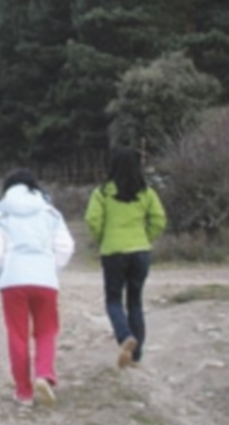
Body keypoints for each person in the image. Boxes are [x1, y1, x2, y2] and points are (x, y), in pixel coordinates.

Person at [0, 168, 75, 407]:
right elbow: (65, 246)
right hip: (45, 279)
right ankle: (44, 374)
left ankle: (23, 392)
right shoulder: (50, 212)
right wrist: (52, 268)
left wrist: (4, 270)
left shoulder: (2, 213)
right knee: (46, 330)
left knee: (17, 335)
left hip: (13, 280)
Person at [84, 146, 167, 369]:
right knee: (135, 301)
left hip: (113, 251)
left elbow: (92, 219)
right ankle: (136, 356)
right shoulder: (146, 192)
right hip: (140, 251)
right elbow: (159, 219)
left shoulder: (102, 193)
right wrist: (146, 237)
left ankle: (124, 337)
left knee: (113, 300)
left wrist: (102, 238)